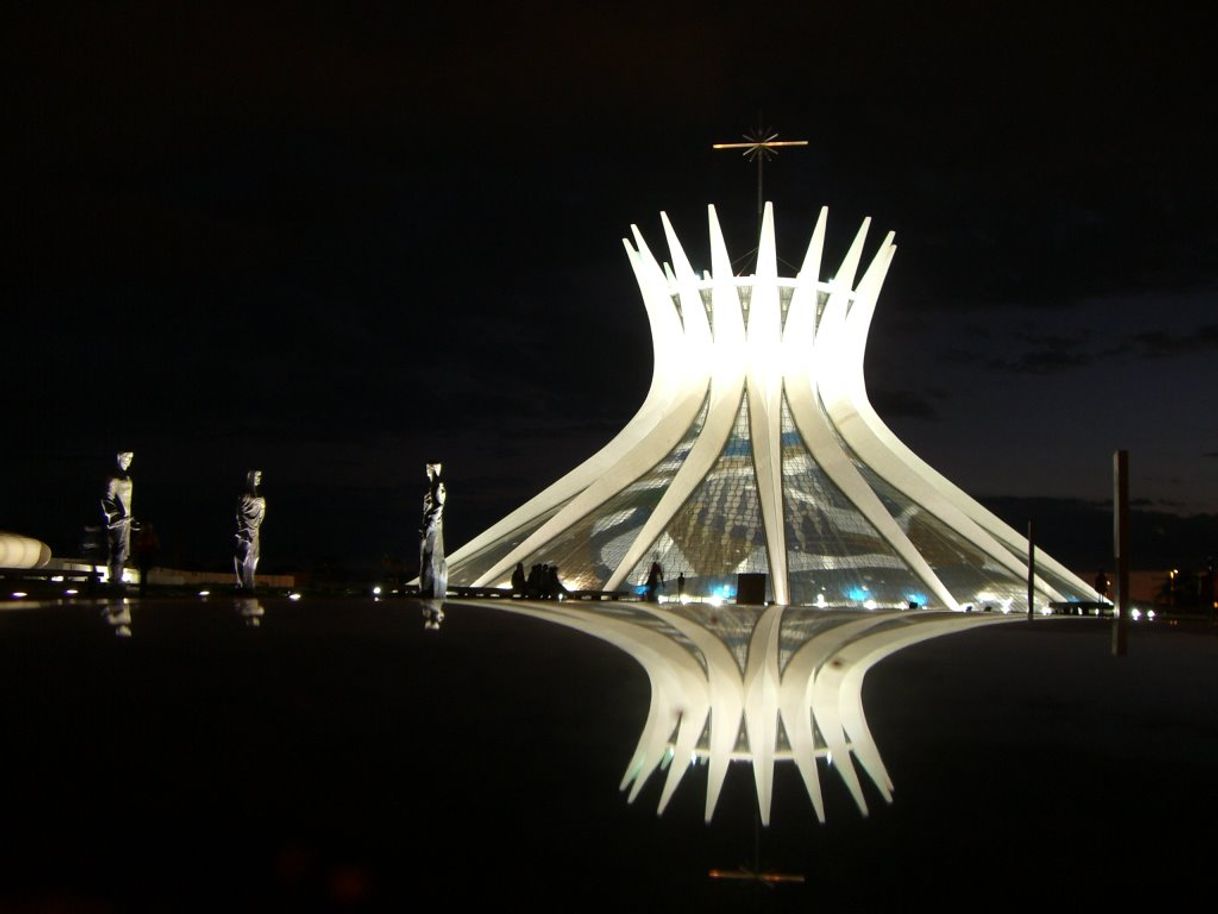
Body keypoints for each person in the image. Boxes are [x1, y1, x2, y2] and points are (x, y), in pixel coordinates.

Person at [101, 451, 135, 590]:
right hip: (118, 521)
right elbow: (106, 498)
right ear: (119, 459)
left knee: (123, 551)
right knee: (117, 550)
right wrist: (115, 515)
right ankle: (114, 579)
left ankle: (118, 577)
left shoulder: (127, 477)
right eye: (125, 458)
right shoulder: (114, 478)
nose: (128, 461)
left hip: (126, 520)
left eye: (130, 458)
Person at [419, 463, 447, 600]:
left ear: (432, 469)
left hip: (432, 528)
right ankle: (430, 589)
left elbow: (438, 506)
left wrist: (429, 525)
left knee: (430, 558)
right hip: (432, 527)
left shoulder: (436, 486)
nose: (426, 470)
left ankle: (430, 590)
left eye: (428, 468)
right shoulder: (434, 486)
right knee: (429, 558)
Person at [235, 470, 267, 592]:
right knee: (243, 556)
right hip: (245, 531)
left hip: (255, 531)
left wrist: (261, 504)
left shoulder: (259, 498)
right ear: (251, 478)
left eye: (260, 477)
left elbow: (261, 517)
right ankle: (241, 582)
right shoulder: (244, 496)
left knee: (255, 556)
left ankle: (250, 582)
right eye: (257, 477)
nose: (259, 479)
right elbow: (239, 514)